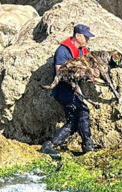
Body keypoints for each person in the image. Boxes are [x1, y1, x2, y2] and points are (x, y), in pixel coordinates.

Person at [39, 24, 97, 159]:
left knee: (74, 120)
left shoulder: (83, 51)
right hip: (63, 90)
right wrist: (83, 74)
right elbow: (60, 72)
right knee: (82, 111)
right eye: (86, 37)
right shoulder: (62, 51)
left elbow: (89, 68)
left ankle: (50, 145)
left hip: (76, 90)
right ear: (77, 36)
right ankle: (88, 147)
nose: (88, 40)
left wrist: (94, 73)